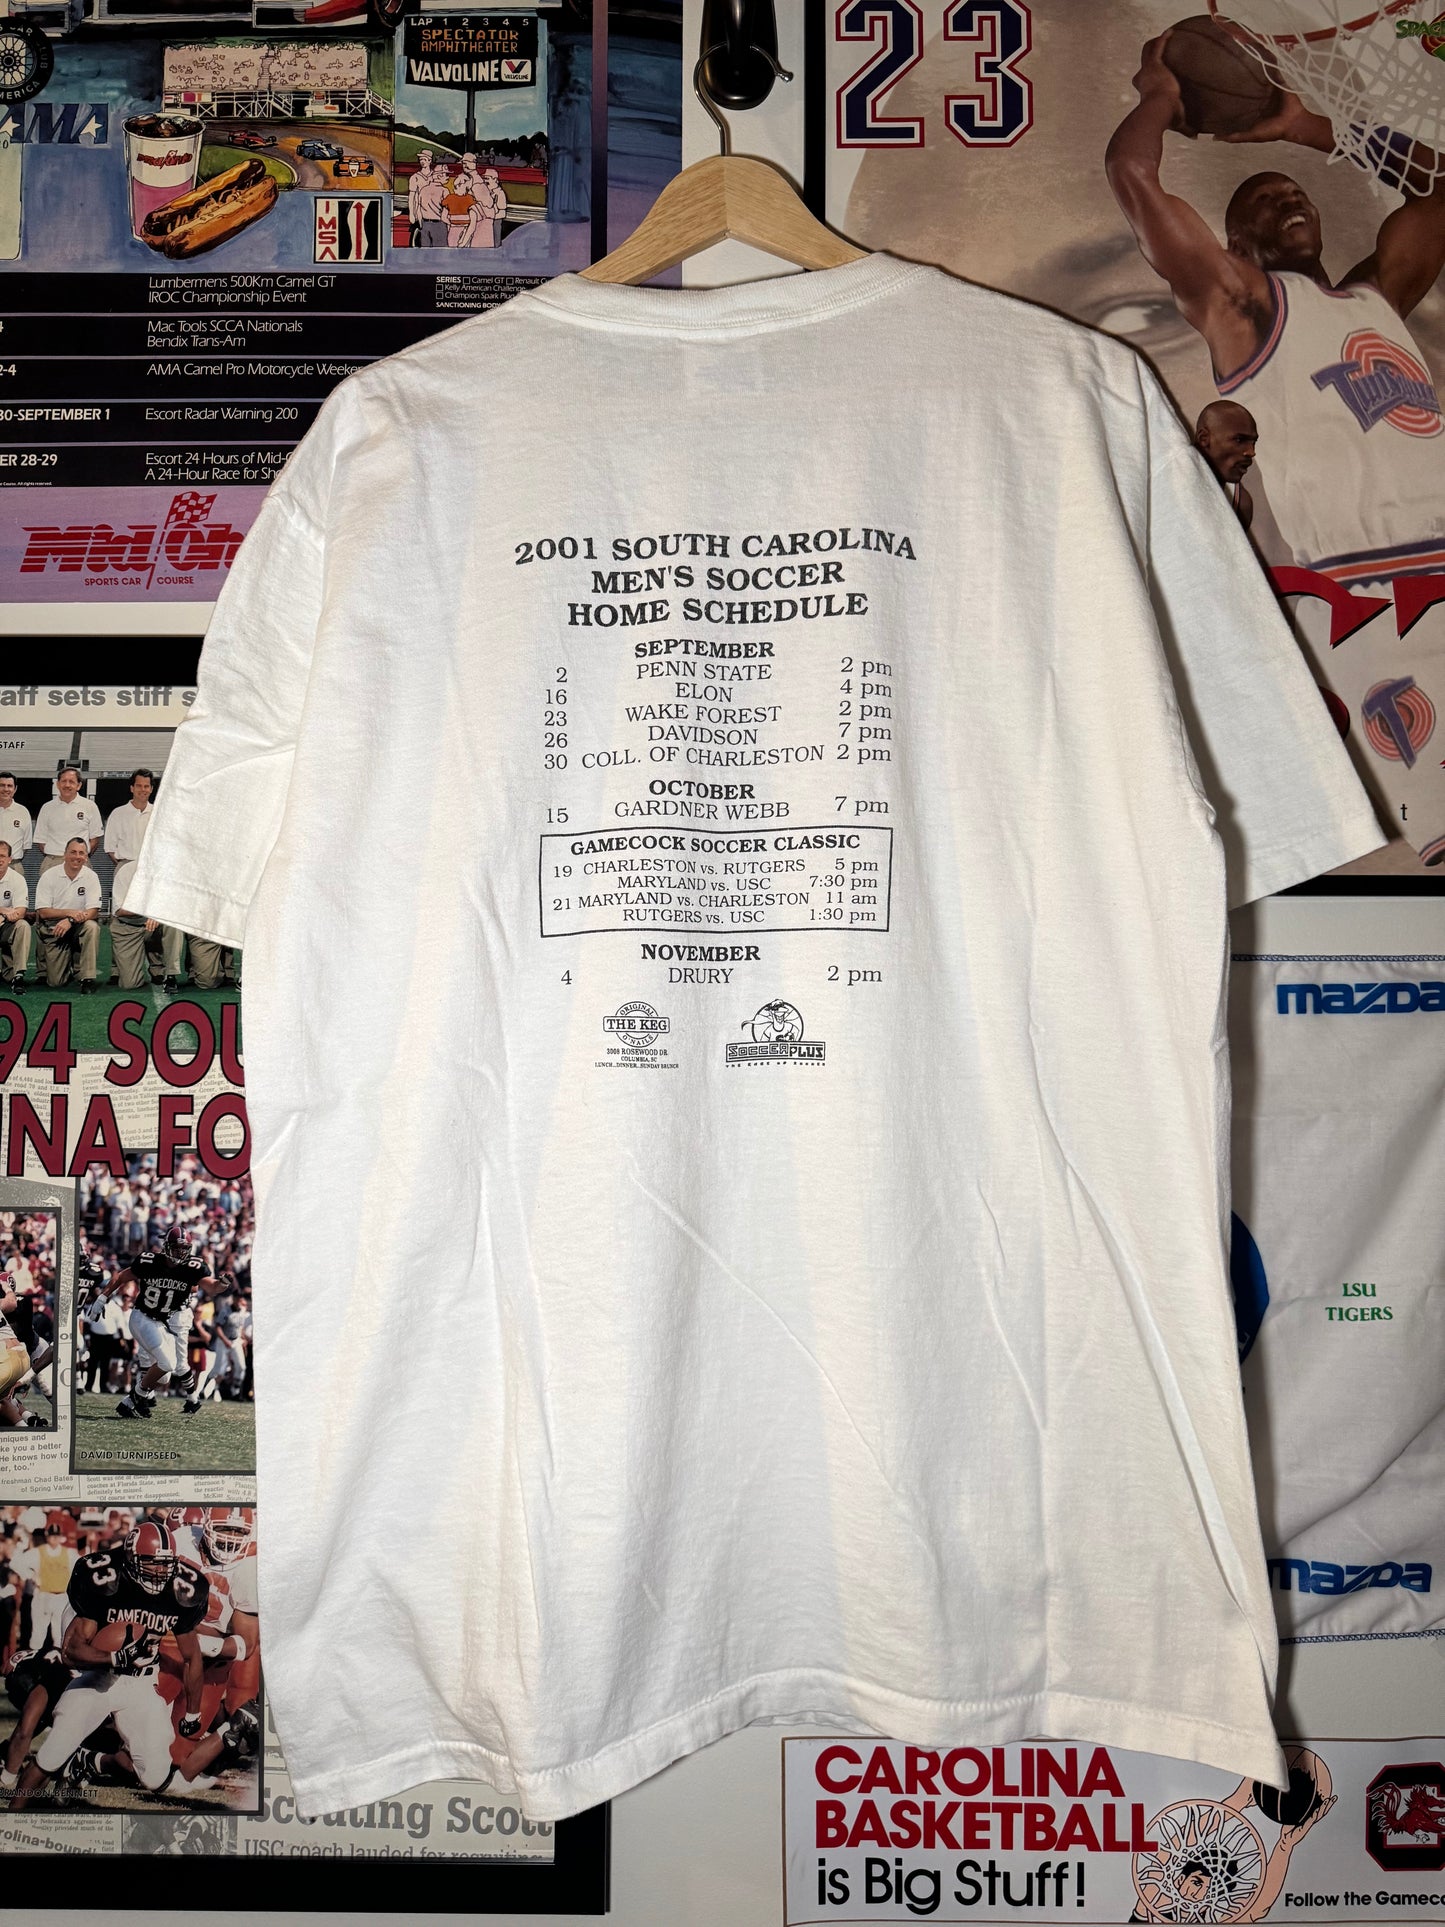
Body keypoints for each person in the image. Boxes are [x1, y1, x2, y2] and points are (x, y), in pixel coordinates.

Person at [1107, 31, 1445, 862]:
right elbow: (1132, 176)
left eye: (1293, 190)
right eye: (1262, 200)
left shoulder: (1375, 298)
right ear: (1233, 243)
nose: (1286, 198)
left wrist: (1305, 128)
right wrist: (1159, 96)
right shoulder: (1241, 305)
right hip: (1366, 592)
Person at [8, 1522, 208, 1807]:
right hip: (99, 1677)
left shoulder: (182, 1590)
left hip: (141, 1683)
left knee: (155, 1776)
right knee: (53, 1753)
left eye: (166, 1564)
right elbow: (71, 1651)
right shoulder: (105, 1581)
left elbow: (192, 1657)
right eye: (152, 1563)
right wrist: (115, 1657)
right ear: (131, 1560)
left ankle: (87, 1760)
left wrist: (193, 1713)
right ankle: (14, 1816)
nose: (160, 1571)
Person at [101, 1227, 230, 1422]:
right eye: (176, 1248)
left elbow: (207, 1287)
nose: (180, 1252)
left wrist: (222, 1284)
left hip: (168, 1318)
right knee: (159, 1361)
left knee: (165, 1374)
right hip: (145, 1316)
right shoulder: (151, 1261)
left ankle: (137, 1399)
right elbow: (122, 1276)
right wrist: (102, 1299)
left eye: (184, 1248)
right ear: (167, 1247)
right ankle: (144, 1399)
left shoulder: (192, 1267)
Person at [34, 838, 101, 991]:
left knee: (91, 927)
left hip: (79, 925)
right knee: (56, 982)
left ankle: (87, 978)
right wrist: (69, 913)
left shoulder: (91, 876)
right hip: (55, 928)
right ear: (64, 854)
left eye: (81, 853)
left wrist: (70, 919)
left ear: (86, 857)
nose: (77, 856)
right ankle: (70, 963)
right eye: (73, 852)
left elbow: (93, 911)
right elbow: (43, 912)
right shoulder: (49, 876)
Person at [1195, 399, 1258, 529]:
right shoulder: (1168, 478)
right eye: (1239, 440)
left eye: (1253, 443)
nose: (1251, 452)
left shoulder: (1240, 504)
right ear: (1204, 439)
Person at [33, 768, 101, 878]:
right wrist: (56, 855)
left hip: (80, 862)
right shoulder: (47, 807)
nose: (67, 785)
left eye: (71, 781)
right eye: (64, 781)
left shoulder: (90, 806)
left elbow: (95, 839)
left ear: (79, 785)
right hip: (52, 862)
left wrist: (80, 855)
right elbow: (41, 840)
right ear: (57, 784)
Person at [0, 841, 30, 991]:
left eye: (2, 856)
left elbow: (21, 911)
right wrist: (3, 910)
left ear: (9, 859)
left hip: (6, 926)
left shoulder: (18, 879)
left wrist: (5, 916)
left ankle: (18, 976)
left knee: (23, 926)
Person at [407, 147, 450, 247]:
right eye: (421, 159)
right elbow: (412, 196)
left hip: (435, 213)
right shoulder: (415, 177)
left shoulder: (435, 175)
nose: (422, 162)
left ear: (430, 160)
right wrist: (412, 214)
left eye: (424, 159)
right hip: (420, 212)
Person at [0, 774, 31, 877]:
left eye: (9, 786)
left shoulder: (23, 812)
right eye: (2, 785)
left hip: (14, 867)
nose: (6, 789)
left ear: (15, 789)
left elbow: (26, 845)